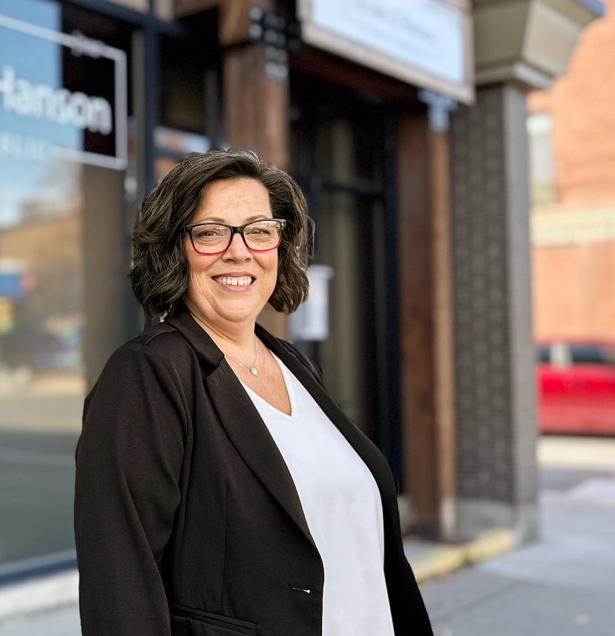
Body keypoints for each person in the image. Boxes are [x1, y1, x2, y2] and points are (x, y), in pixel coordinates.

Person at [74, 149, 431, 636]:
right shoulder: (149, 372)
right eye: (211, 231)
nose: (238, 251)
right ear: (173, 249)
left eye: (259, 231)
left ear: (279, 247)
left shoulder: (294, 363)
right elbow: (119, 582)